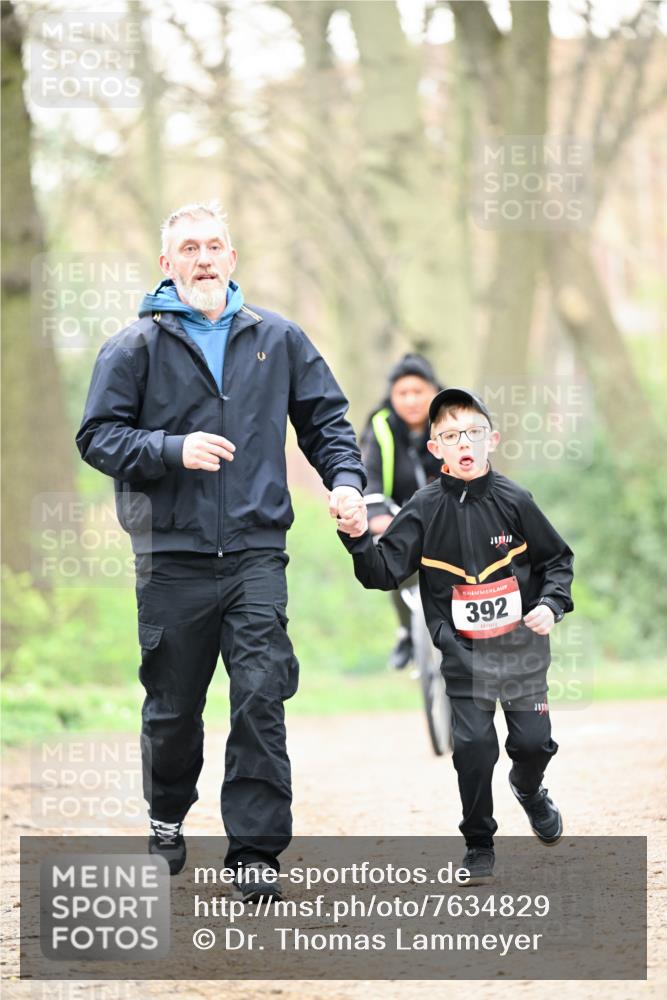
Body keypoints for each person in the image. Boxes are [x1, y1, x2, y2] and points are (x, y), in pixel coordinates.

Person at [75, 201, 366, 898]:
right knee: (173, 709)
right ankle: (167, 814)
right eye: (189, 248)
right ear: (166, 263)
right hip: (171, 557)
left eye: (213, 246)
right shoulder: (133, 347)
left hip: (256, 551)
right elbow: (97, 437)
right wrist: (171, 449)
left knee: (261, 695)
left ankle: (254, 852)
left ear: (232, 258)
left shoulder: (278, 338)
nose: (203, 258)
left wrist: (347, 483)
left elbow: (325, 420)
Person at [336, 387, 574, 884]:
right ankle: (479, 843)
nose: (463, 442)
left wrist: (550, 605)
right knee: (474, 750)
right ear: (435, 447)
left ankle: (529, 789)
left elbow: (557, 560)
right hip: (464, 654)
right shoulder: (424, 507)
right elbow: (382, 571)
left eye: (473, 432)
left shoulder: (516, 500)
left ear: (492, 440)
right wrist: (356, 536)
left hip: (522, 650)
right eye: (450, 436)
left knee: (533, 743)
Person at [360, 353, 442, 669]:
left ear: (434, 390)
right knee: (396, 560)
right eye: (402, 393)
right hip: (399, 518)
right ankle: (408, 629)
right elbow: (370, 479)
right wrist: (377, 515)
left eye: (418, 392)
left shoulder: (452, 419)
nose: (410, 400)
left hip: (448, 517)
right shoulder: (381, 427)